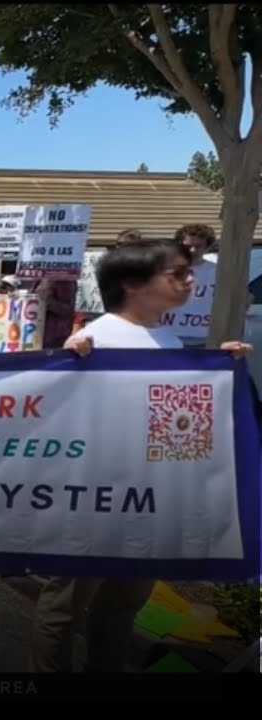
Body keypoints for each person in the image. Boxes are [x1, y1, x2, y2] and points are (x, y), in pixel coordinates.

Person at [29, 238, 251, 673]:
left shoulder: (167, 338)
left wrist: (218, 370)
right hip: (94, 495)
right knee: (64, 606)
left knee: (122, 605)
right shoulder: (93, 339)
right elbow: (56, 413)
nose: (190, 280)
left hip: (150, 497)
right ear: (133, 284)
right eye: (178, 273)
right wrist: (67, 363)